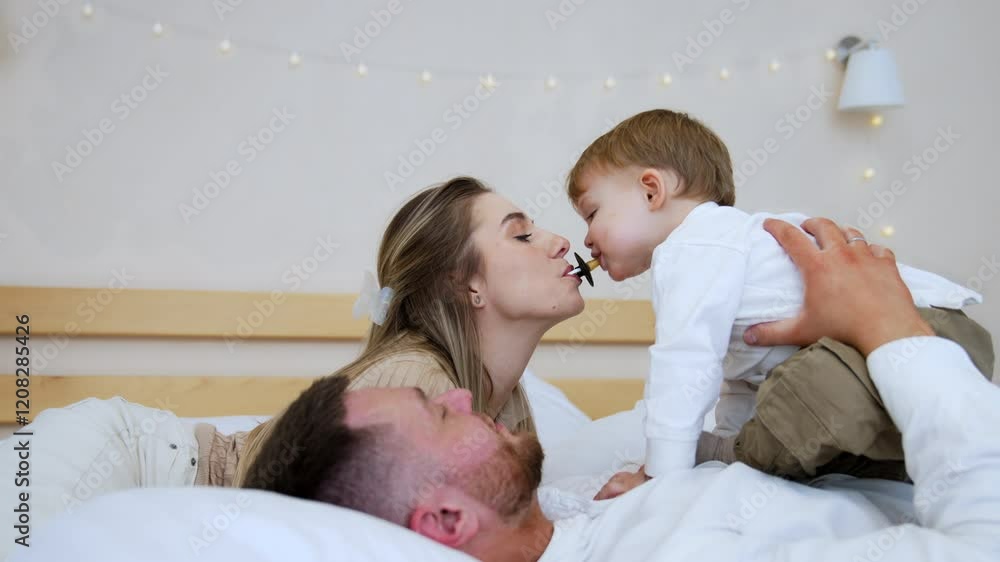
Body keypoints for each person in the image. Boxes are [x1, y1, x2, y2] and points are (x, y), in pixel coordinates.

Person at [242, 218, 1000, 562]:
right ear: (443, 516)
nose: (463, 398)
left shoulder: (569, 500)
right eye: (440, 414)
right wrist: (890, 329)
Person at [0, 177, 587, 558]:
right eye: (523, 234)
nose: (561, 242)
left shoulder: (505, 405)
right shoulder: (411, 383)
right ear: (466, 284)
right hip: (133, 455)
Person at [565, 109, 992, 487]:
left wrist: (660, 470)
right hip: (929, 347)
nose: (586, 238)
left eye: (592, 213)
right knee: (796, 405)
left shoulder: (692, 247)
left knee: (800, 396)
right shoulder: (727, 253)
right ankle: (900, 468)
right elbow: (739, 377)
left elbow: (685, 361)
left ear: (651, 190)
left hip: (917, 333)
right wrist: (730, 443)